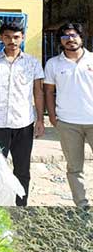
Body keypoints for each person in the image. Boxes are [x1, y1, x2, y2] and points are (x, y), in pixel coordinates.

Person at [0, 21, 45, 206]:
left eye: (16, 37)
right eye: (7, 37)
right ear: (1, 38)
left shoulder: (32, 63)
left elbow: (37, 92)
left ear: (22, 38)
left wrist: (40, 119)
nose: (12, 41)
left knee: (22, 170)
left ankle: (20, 207)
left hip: (24, 123)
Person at [44, 22, 93, 207]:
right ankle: (82, 204)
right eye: (65, 37)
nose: (70, 39)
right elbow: (48, 91)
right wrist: (52, 116)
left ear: (81, 38)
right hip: (68, 123)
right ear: (60, 41)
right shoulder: (53, 64)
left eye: (74, 36)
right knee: (74, 168)